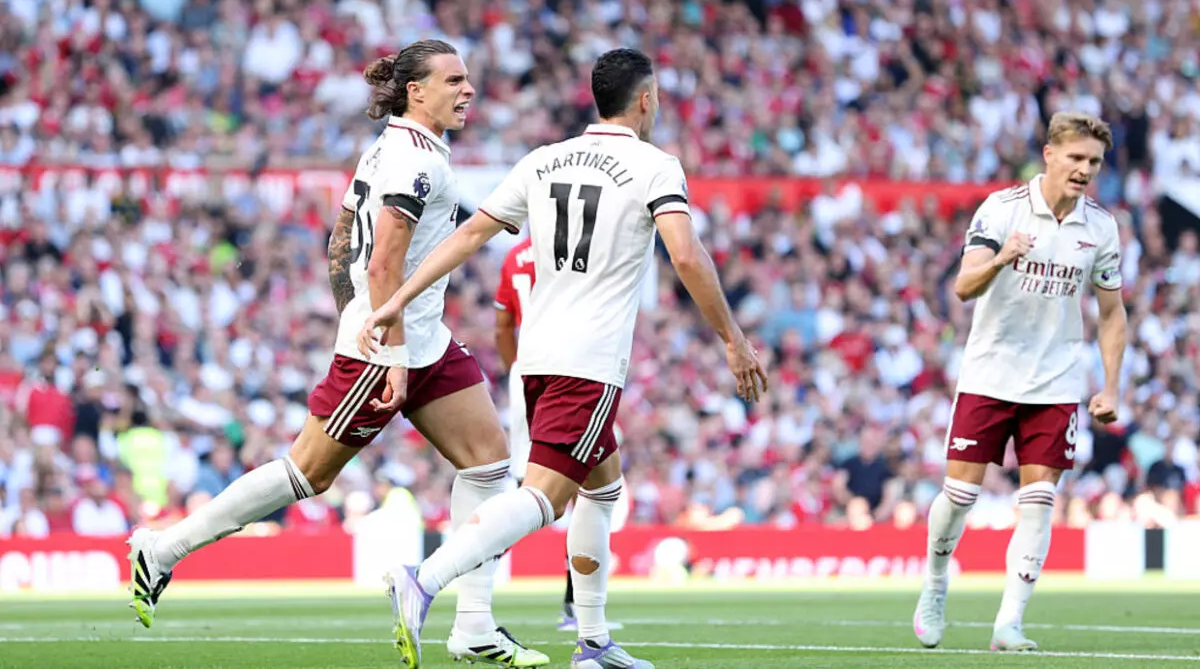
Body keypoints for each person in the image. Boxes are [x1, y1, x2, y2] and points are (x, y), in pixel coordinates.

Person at [126, 40, 548, 668]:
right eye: (454, 80)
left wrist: (358, 313)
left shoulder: (395, 149)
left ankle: (476, 627)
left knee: (489, 463)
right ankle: (161, 551)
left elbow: (341, 241)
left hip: (419, 337)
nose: (468, 91)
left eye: (469, 80)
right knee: (309, 473)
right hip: (390, 350)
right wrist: (381, 344)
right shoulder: (412, 161)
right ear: (417, 91)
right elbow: (379, 262)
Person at [358, 47, 768, 669]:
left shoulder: (544, 160)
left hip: (538, 355)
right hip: (591, 359)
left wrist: (396, 302)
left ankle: (593, 641)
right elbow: (686, 256)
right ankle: (424, 579)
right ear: (646, 100)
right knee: (546, 496)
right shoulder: (657, 166)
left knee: (603, 489)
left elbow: (468, 236)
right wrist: (734, 339)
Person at [913, 112, 1127, 652]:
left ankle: (1008, 623)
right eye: (1076, 158)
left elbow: (1111, 313)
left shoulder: (1101, 227)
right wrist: (1004, 257)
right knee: (960, 495)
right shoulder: (1002, 209)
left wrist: (1111, 385)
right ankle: (935, 584)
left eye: (1094, 162)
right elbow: (963, 286)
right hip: (990, 372)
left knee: (1038, 503)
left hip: (1055, 381)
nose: (1084, 170)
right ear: (1050, 154)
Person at [493, 236, 627, 633]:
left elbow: (502, 323)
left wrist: (516, 373)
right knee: (571, 491)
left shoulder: (515, 256)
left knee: (535, 487)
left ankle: (471, 590)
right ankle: (443, 575)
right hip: (575, 371)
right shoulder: (576, 249)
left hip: (530, 373)